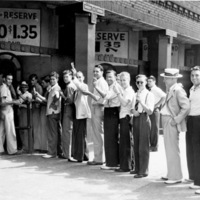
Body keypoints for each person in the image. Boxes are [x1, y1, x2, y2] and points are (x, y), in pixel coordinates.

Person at [160, 68, 190, 184]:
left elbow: (186, 107)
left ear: (173, 79)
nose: (164, 80)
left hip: (171, 121)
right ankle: (171, 173)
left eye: (166, 78)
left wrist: (176, 120)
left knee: (172, 149)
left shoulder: (178, 90)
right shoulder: (171, 89)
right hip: (167, 120)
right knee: (169, 149)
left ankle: (176, 176)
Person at [94, 70, 121, 170]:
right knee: (109, 137)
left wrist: (96, 87)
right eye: (107, 77)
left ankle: (113, 163)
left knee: (111, 138)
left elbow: (106, 96)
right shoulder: (110, 86)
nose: (108, 79)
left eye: (110, 77)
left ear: (115, 77)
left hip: (113, 111)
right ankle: (110, 161)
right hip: (108, 110)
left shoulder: (116, 86)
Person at [131, 74, 154, 178]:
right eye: (137, 82)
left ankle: (143, 170)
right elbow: (131, 107)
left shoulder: (149, 94)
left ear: (146, 83)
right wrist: (133, 111)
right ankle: (137, 168)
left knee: (143, 146)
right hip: (136, 118)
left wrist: (141, 102)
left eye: (142, 82)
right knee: (136, 144)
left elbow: (150, 111)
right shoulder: (135, 94)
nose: (139, 84)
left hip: (144, 118)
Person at [35, 71, 62, 158]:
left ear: (57, 79)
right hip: (54, 112)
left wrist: (53, 105)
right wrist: (39, 96)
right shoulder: (54, 88)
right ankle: (57, 151)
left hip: (52, 113)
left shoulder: (56, 88)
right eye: (51, 79)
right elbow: (48, 100)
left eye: (53, 79)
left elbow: (56, 98)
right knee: (56, 132)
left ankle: (52, 152)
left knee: (52, 133)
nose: (52, 81)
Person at [114, 72, 135, 172]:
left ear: (129, 80)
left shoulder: (129, 91)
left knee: (126, 142)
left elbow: (124, 102)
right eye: (121, 80)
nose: (122, 82)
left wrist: (118, 93)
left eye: (124, 80)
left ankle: (126, 166)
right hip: (123, 117)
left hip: (126, 118)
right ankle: (125, 164)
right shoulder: (125, 90)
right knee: (123, 142)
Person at [87, 65, 109, 165]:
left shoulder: (101, 83)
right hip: (96, 107)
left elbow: (103, 97)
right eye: (94, 71)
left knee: (97, 134)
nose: (95, 73)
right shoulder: (98, 82)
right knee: (97, 133)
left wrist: (92, 93)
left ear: (102, 72)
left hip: (98, 107)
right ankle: (98, 157)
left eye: (97, 71)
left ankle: (99, 158)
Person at [71, 67, 91, 162]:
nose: (78, 78)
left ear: (83, 77)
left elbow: (81, 87)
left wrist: (74, 76)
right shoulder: (77, 87)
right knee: (79, 134)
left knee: (80, 134)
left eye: (80, 77)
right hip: (77, 112)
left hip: (82, 113)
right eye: (77, 77)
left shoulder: (84, 86)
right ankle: (84, 155)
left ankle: (79, 156)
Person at [186, 66, 200, 195]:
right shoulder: (192, 89)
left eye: (197, 75)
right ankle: (196, 179)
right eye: (192, 75)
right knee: (192, 150)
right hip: (191, 120)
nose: (194, 77)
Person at [0, 73, 20, 155]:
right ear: (4, 79)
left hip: (3, 111)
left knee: (1, 131)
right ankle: (12, 150)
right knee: (10, 131)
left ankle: (0, 150)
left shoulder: (4, 87)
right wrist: (14, 102)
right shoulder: (4, 87)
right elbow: (3, 102)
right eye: (8, 79)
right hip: (7, 111)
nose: (10, 81)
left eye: (11, 79)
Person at [60, 69, 77, 160]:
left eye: (67, 76)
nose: (65, 78)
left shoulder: (69, 86)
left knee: (67, 132)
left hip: (68, 109)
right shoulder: (73, 85)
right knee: (69, 132)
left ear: (71, 76)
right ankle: (69, 153)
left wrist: (62, 95)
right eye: (64, 77)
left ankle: (67, 154)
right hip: (71, 110)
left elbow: (69, 100)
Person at [147, 75, 166, 152]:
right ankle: (152, 145)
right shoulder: (151, 90)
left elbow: (164, 96)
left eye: (150, 81)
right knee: (151, 128)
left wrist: (157, 105)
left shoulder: (155, 89)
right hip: (151, 110)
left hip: (155, 110)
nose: (148, 83)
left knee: (154, 129)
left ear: (154, 82)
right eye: (148, 81)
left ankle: (154, 146)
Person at [17, 81, 32, 153]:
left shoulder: (29, 94)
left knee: (26, 130)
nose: (24, 88)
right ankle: (23, 146)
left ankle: (27, 147)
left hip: (26, 113)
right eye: (22, 86)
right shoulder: (21, 94)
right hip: (21, 113)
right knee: (21, 130)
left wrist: (21, 105)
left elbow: (29, 104)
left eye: (25, 86)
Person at [29, 74, 43, 152]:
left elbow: (39, 100)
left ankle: (37, 146)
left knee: (37, 128)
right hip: (33, 109)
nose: (32, 81)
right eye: (31, 80)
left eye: (33, 80)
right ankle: (35, 145)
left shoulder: (38, 87)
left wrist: (32, 100)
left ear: (36, 80)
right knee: (34, 127)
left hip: (37, 109)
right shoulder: (33, 88)